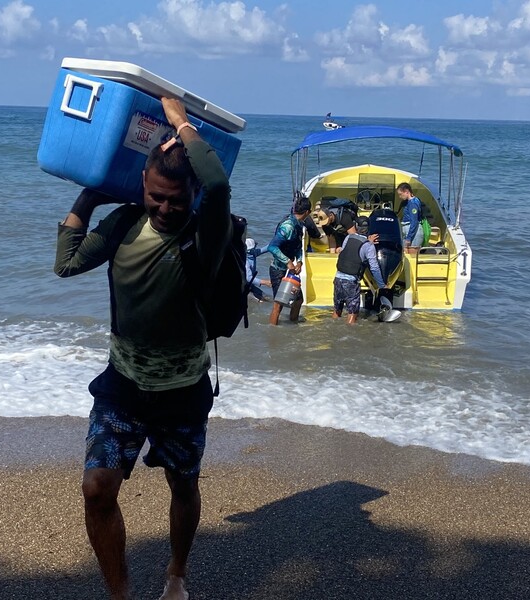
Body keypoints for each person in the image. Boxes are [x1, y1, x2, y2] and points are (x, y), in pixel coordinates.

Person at [53, 97, 231, 600]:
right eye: (156, 196)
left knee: (183, 485)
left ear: (191, 194)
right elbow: (65, 263)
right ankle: (121, 594)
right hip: (123, 387)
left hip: (183, 392)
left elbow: (218, 183)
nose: (166, 207)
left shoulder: (205, 231)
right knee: (96, 489)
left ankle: (177, 574)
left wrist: (179, 121)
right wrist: (91, 195)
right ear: (142, 186)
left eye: (176, 198)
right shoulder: (126, 223)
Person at [332, 216, 388, 324]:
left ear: (356, 227)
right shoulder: (369, 246)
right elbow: (374, 268)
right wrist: (381, 285)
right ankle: (349, 337)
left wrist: (367, 241)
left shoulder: (348, 238)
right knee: (352, 314)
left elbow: (346, 251)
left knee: (337, 310)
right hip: (351, 282)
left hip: (338, 279)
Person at [266, 194, 312, 325]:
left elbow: (297, 247)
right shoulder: (288, 226)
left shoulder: (299, 225)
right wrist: (288, 262)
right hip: (278, 269)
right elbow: (272, 247)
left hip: (290, 271)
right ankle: (273, 333)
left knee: (298, 300)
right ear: (307, 212)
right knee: (278, 305)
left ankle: (293, 324)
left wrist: (299, 261)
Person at [397, 182, 423, 253]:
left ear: (406, 192)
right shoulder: (409, 202)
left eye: (400, 194)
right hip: (407, 229)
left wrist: (409, 238)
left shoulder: (413, 203)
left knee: (412, 255)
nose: (400, 197)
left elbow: (414, 221)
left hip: (413, 232)